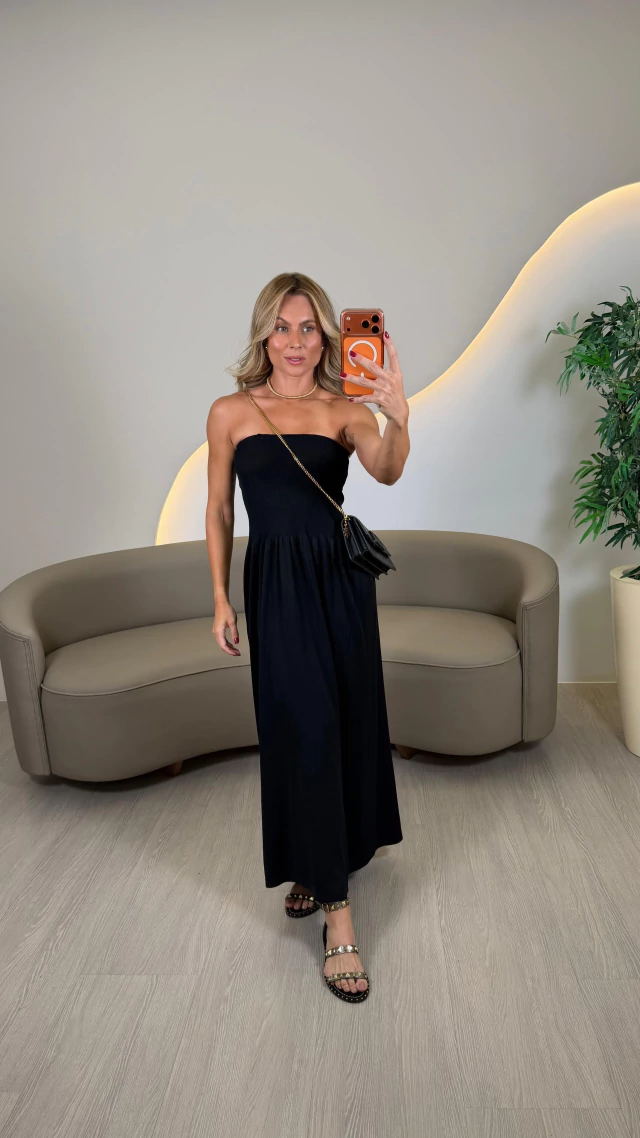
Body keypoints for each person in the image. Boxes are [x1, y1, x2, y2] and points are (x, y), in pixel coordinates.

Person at [205, 272, 410, 1003]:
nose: (295, 342)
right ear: (264, 334)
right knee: (299, 726)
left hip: (339, 585)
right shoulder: (231, 411)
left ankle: (328, 890)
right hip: (276, 587)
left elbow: (386, 471)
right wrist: (220, 596)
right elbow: (219, 510)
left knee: (339, 724)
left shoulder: (342, 410)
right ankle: (328, 892)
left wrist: (398, 416)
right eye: (282, 327)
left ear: (326, 337)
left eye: (308, 329)